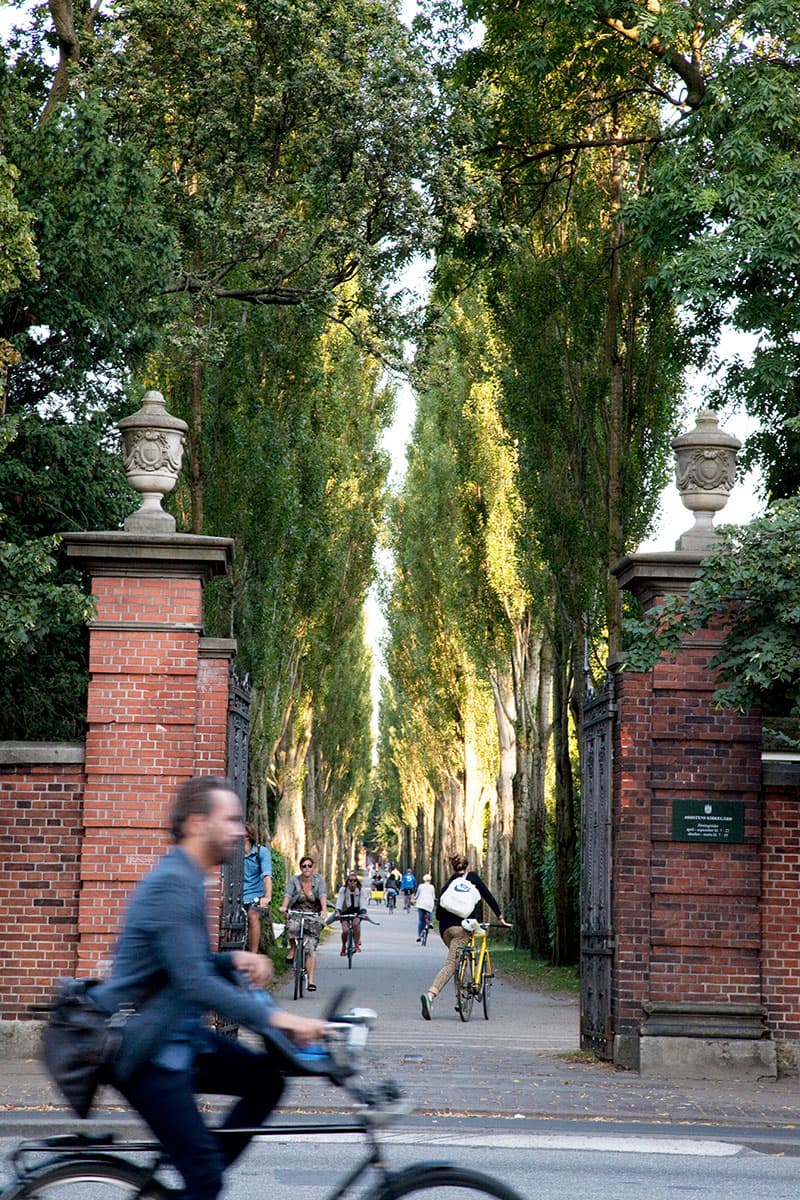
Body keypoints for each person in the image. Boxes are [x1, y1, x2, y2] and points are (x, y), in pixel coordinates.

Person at [91, 776, 327, 1200]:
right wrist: (280, 1019)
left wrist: (231, 959)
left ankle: (195, 1168)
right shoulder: (173, 884)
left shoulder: (186, 877)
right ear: (199, 824)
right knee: (206, 1178)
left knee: (265, 1080)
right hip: (146, 1054)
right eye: (231, 820)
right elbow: (194, 983)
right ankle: (199, 1173)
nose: (239, 830)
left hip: (178, 1039)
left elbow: (182, 966)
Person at [420, 852, 511, 1020]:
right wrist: (500, 917)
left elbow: (439, 912)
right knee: (452, 963)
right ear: (468, 867)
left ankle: (461, 999)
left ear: (453, 868)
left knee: (458, 961)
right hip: (463, 929)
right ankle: (430, 995)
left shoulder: (449, 883)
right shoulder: (473, 878)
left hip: (446, 930)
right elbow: (488, 897)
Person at [279, 856, 327, 992]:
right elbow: (288, 894)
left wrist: (323, 909)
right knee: (291, 926)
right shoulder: (294, 880)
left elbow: (323, 895)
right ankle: (293, 948)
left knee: (311, 947)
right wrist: (284, 907)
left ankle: (310, 981)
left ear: (313, 867)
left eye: (309, 866)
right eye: (304, 866)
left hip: (313, 914)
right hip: (297, 912)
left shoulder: (319, 880)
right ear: (300, 868)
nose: (307, 868)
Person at [243, 822, 272, 953]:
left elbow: (267, 876)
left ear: (248, 836)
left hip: (255, 896)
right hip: (236, 895)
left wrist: (267, 897)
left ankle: (252, 956)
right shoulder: (232, 853)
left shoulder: (261, 852)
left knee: (253, 915)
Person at [332, 872, 367, 954]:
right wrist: (338, 911)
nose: (352, 882)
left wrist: (363, 911)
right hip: (345, 911)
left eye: (354, 880)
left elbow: (362, 901)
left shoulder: (361, 890)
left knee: (356, 924)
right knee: (345, 931)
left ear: (357, 882)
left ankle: (356, 943)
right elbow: (340, 901)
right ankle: (344, 946)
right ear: (347, 882)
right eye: (350, 880)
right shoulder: (343, 890)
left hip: (357, 911)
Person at [414, 872, 436, 940]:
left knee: (421, 920)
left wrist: (415, 898)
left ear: (424, 880)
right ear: (430, 880)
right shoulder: (432, 887)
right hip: (429, 904)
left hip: (421, 904)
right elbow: (433, 896)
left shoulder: (420, 886)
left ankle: (419, 935)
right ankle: (430, 922)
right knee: (429, 911)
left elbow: (417, 895)